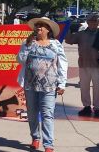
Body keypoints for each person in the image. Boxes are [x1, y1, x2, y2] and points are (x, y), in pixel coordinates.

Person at [17, 17, 68, 152]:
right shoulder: (28, 43)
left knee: (47, 114)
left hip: (49, 86)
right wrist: (27, 46)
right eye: (37, 26)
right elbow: (20, 60)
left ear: (48, 29)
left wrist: (62, 83)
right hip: (30, 84)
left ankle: (48, 145)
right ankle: (35, 137)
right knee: (32, 113)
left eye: (42, 26)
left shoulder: (56, 44)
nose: (38, 28)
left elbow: (62, 64)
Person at [65, 13, 99, 118]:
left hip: (98, 65)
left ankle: (98, 108)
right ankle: (86, 106)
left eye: (95, 21)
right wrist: (67, 29)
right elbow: (69, 40)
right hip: (84, 64)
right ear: (87, 22)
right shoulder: (81, 34)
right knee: (84, 87)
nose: (93, 23)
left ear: (98, 22)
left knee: (98, 88)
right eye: (91, 21)